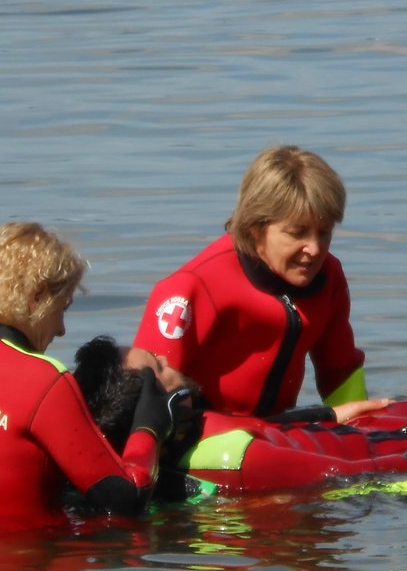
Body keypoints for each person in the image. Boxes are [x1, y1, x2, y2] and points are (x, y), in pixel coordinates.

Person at [0, 222, 173, 520]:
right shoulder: (42, 378)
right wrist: (149, 425)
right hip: (27, 563)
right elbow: (126, 500)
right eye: (63, 308)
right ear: (37, 297)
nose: (60, 329)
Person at [74, 335, 407, 498]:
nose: (166, 357)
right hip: (382, 453)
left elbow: (263, 426)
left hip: (338, 431)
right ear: (157, 404)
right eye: (158, 366)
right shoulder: (233, 458)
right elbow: (361, 473)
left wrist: (329, 412)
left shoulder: (190, 430)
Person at [131, 145, 368, 418]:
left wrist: (364, 433)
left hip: (278, 433)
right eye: (297, 233)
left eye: (324, 233)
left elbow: (339, 370)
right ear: (255, 228)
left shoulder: (328, 276)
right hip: (201, 436)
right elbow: (147, 397)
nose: (314, 249)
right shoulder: (191, 289)